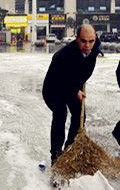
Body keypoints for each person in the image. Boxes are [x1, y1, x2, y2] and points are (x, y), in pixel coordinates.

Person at [42, 24, 101, 165]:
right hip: (54, 88)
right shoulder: (62, 56)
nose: (87, 45)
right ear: (76, 39)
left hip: (75, 84)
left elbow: (86, 68)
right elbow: (61, 79)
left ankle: (69, 149)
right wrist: (74, 91)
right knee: (60, 114)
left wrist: (78, 85)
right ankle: (56, 154)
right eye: (83, 41)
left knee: (80, 116)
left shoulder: (94, 47)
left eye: (91, 41)